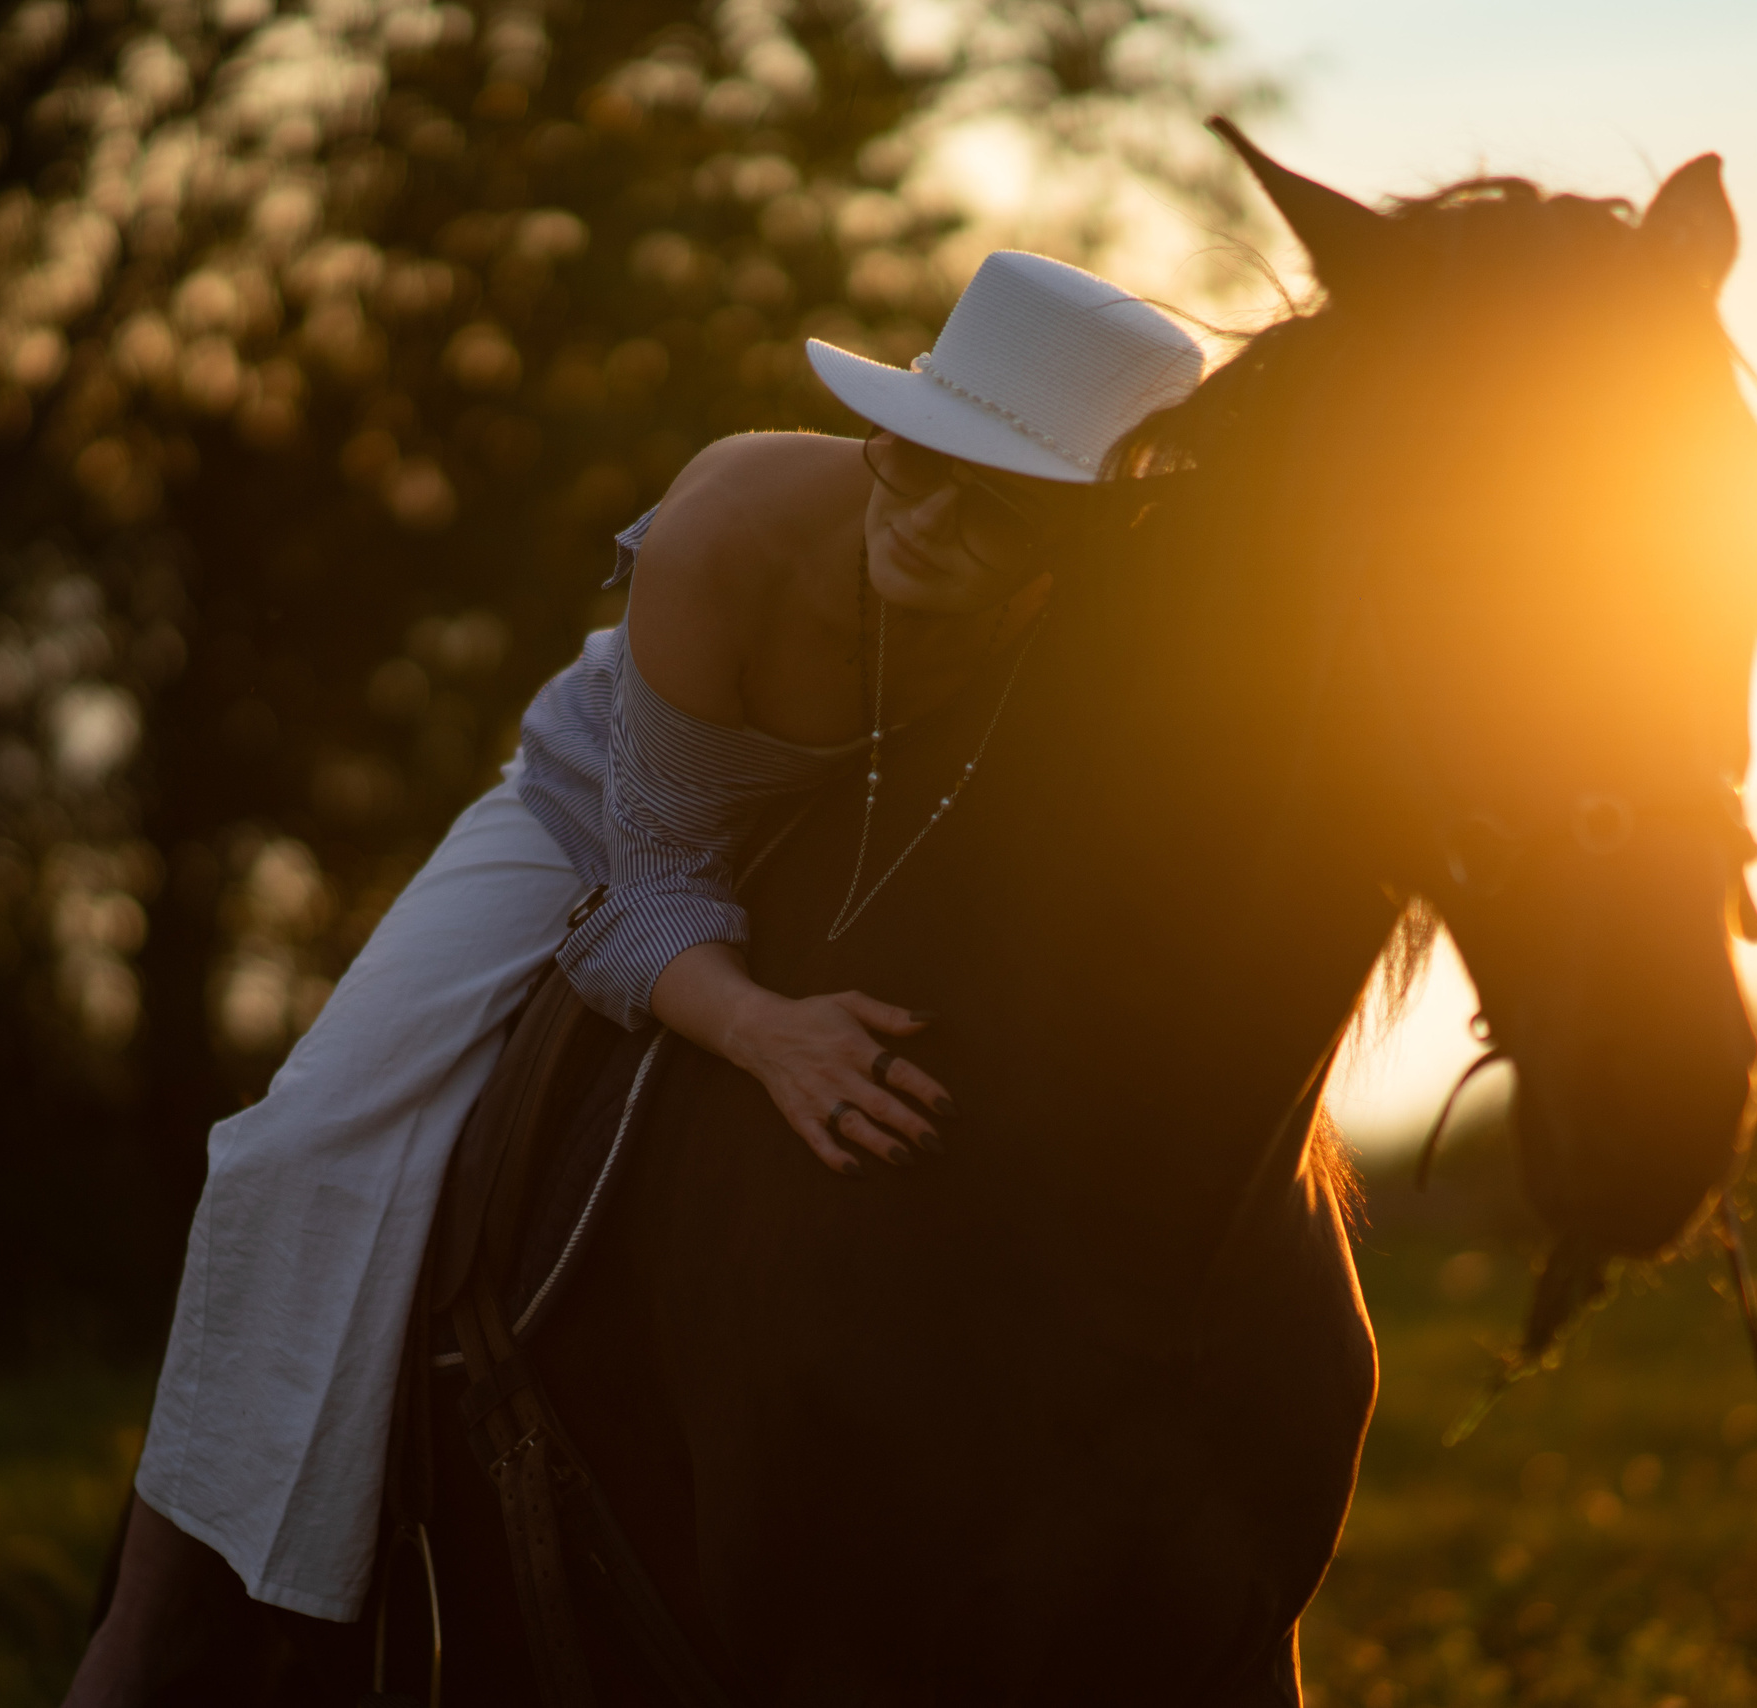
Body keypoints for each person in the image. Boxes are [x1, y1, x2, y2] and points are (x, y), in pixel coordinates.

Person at [65, 250, 1204, 1699]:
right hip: (599, 823)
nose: (920, 515)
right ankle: (169, 1612)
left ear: (1077, 541)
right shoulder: (730, 522)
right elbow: (644, 889)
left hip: (860, 862)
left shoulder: (1089, 631)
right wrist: (766, 1033)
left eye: (989, 504)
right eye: (910, 461)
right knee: (300, 1143)